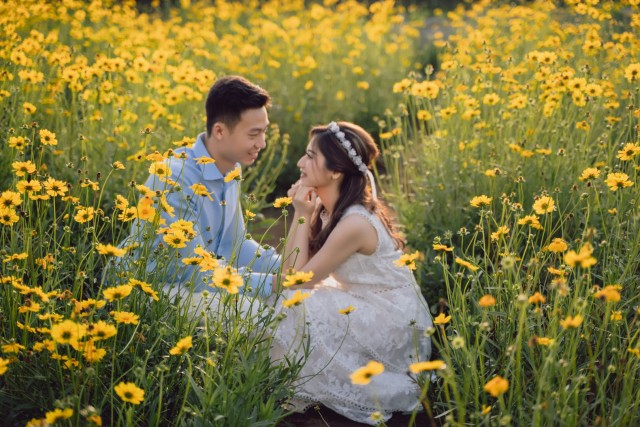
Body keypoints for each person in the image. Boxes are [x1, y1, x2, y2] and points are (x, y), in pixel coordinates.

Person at [269, 121, 433, 424]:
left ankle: (294, 388)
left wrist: (301, 213)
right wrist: (304, 214)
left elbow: (296, 282)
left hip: (393, 317)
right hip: (362, 300)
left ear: (335, 171)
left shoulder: (355, 222)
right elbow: (292, 273)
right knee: (293, 303)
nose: (300, 163)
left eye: (310, 156)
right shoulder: (326, 208)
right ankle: (289, 383)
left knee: (299, 305)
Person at [118, 75, 280, 317]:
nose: (262, 143)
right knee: (256, 312)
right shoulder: (174, 178)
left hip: (197, 284)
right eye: (253, 134)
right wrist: (273, 282)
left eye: (264, 132)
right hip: (148, 289)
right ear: (219, 131)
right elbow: (194, 272)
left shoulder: (231, 168)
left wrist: (288, 268)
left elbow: (234, 244)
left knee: (283, 299)